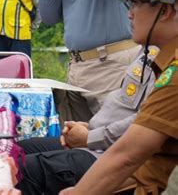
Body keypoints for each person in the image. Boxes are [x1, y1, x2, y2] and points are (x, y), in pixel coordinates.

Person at [59, 0, 178, 195]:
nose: (129, 14)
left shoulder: (174, 76)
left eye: (135, 3)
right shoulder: (164, 63)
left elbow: (129, 154)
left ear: (164, 10)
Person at [16, 44, 158, 194]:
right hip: (100, 141)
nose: (129, 18)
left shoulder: (170, 64)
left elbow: (145, 124)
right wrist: (89, 128)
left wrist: (90, 137)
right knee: (19, 150)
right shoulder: (150, 48)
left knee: (21, 170)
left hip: (114, 154)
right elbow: (124, 108)